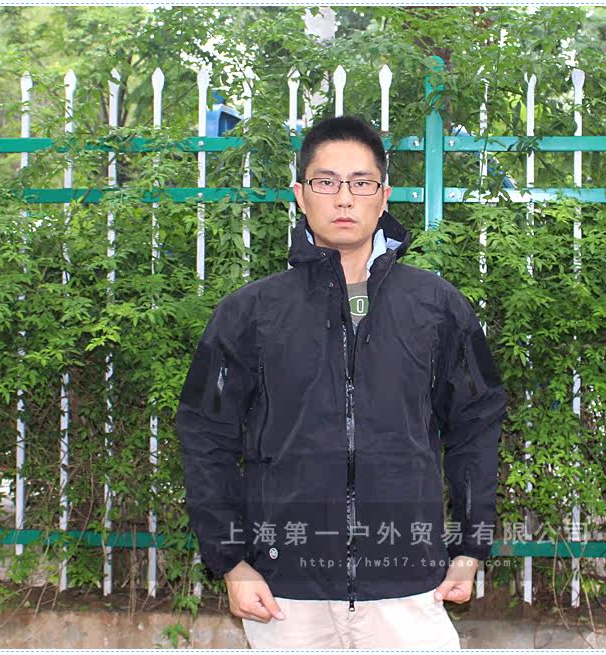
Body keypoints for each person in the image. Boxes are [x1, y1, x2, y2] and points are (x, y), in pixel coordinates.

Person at [176, 115, 507, 649]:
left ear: (384, 196)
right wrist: (231, 562)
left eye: (361, 182)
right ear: (300, 195)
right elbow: (204, 436)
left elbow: (477, 426)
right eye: (326, 182)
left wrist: (470, 549)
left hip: (408, 584)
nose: (345, 198)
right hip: (285, 592)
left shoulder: (438, 307)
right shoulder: (249, 313)